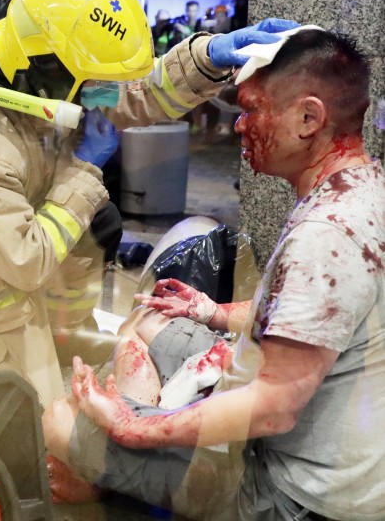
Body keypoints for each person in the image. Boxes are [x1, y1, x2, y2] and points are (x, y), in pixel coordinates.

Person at [0, 0, 297, 411]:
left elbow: (137, 94)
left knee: (99, 222)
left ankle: (56, 331)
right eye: (96, 82)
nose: (105, 93)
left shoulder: (46, 93)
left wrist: (208, 57)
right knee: (41, 440)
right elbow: (28, 262)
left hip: (6, 272)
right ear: (52, 70)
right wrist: (83, 168)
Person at [44, 27, 385, 521]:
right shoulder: (364, 186)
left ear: (309, 118)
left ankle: (129, 474)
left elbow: (275, 407)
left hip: (289, 492)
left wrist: (129, 426)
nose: (239, 126)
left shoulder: (325, 236)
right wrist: (211, 311)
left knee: (59, 421)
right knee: (147, 322)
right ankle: (140, 452)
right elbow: (318, 319)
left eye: (252, 109)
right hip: (332, 442)